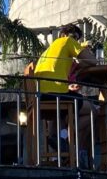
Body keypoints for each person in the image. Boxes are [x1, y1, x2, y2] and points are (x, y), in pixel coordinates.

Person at [32, 24, 99, 157]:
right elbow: (92, 61)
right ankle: (68, 138)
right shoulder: (67, 42)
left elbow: (76, 64)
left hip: (40, 97)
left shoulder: (48, 50)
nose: (75, 41)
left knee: (65, 107)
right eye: (74, 37)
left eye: (77, 39)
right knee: (93, 111)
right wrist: (83, 49)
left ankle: (58, 137)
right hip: (55, 95)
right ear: (64, 35)